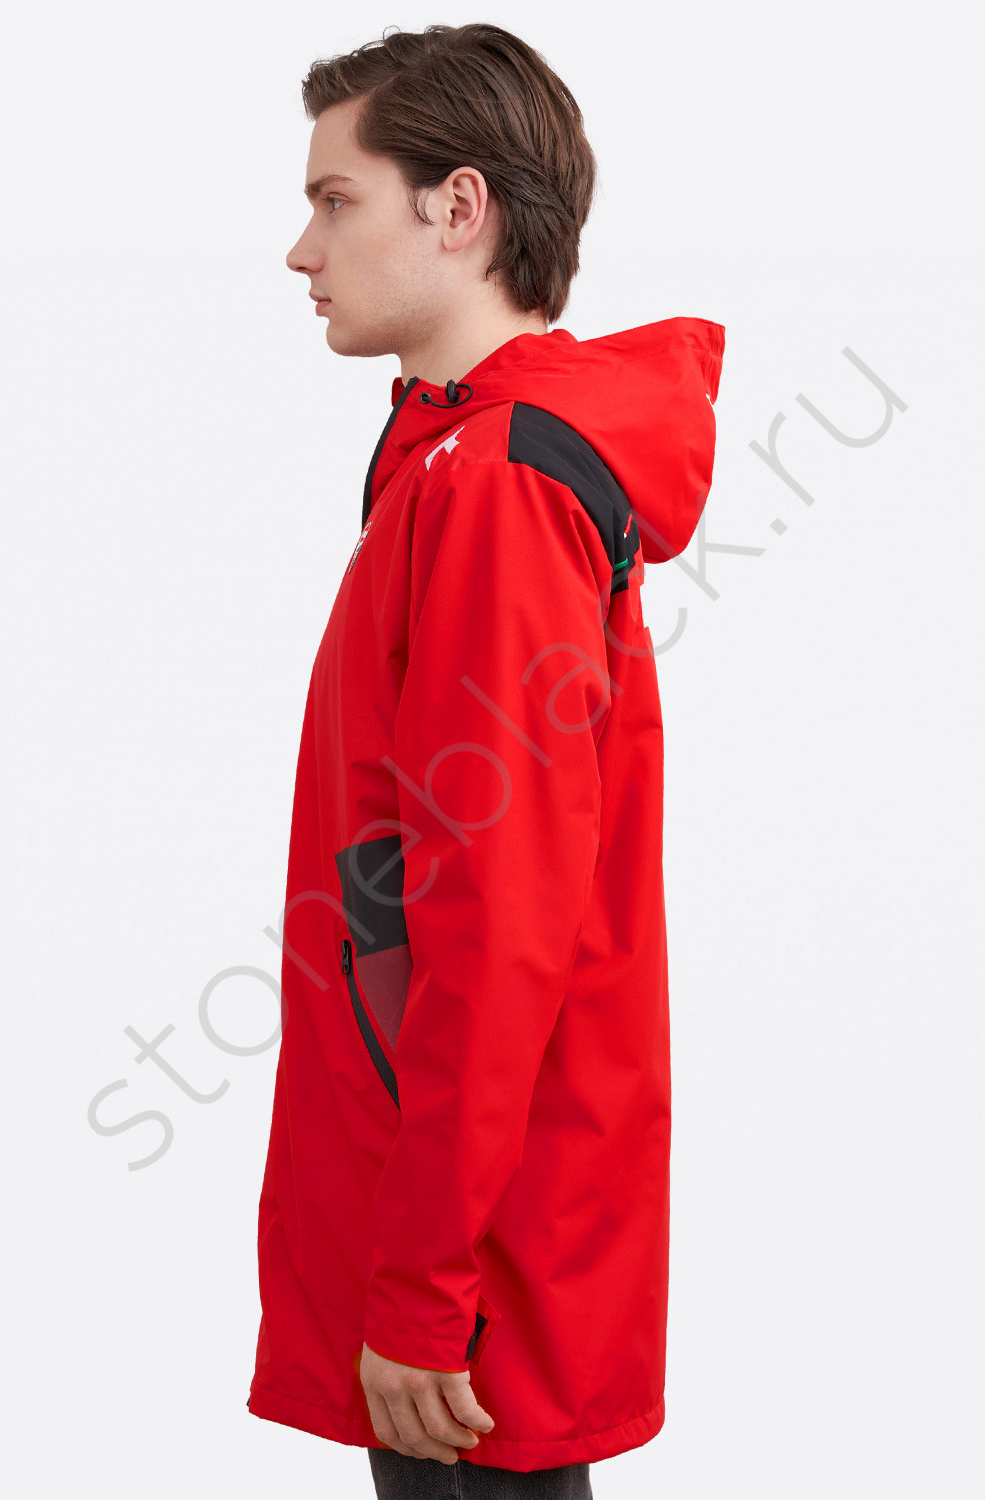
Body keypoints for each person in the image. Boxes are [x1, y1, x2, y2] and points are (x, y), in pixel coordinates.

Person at [245, 22, 724, 1498]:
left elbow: (499, 917)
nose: (301, 249)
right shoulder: (456, 460)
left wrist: (418, 1289)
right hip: (464, 1220)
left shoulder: (500, 485)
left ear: (460, 209)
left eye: (336, 200)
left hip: (473, 1270)